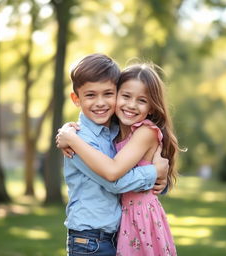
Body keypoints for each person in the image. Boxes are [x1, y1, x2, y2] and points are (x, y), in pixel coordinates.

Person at [56, 62, 180, 255]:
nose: (100, 102)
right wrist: (154, 172)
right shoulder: (79, 139)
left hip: (129, 225)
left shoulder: (120, 131)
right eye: (126, 96)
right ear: (76, 98)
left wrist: (159, 176)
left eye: (108, 94)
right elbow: (114, 179)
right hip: (90, 237)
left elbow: (143, 178)